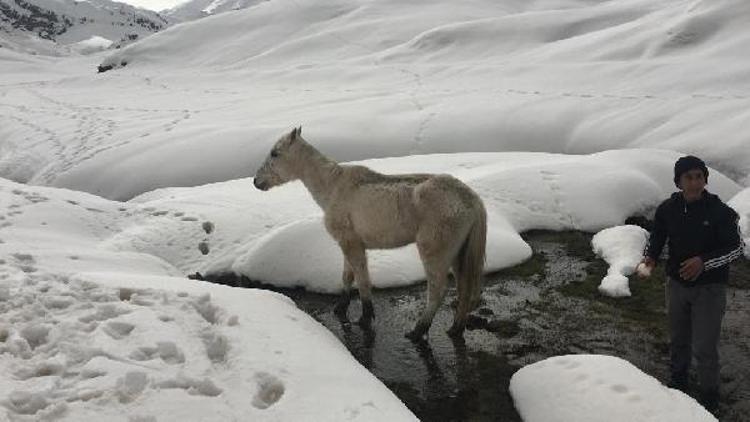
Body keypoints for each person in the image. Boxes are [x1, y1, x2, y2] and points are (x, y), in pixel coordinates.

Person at [638, 155, 744, 413]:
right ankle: (678, 386)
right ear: (678, 182)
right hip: (676, 285)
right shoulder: (668, 209)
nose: (695, 182)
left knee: (705, 347)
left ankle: (709, 399)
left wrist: (703, 262)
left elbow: (737, 248)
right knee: (678, 340)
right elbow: (658, 235)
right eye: (689, 177)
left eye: (699, 176)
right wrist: (651, 257)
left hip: (710, 289)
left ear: (705, 179)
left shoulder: (721, 212)